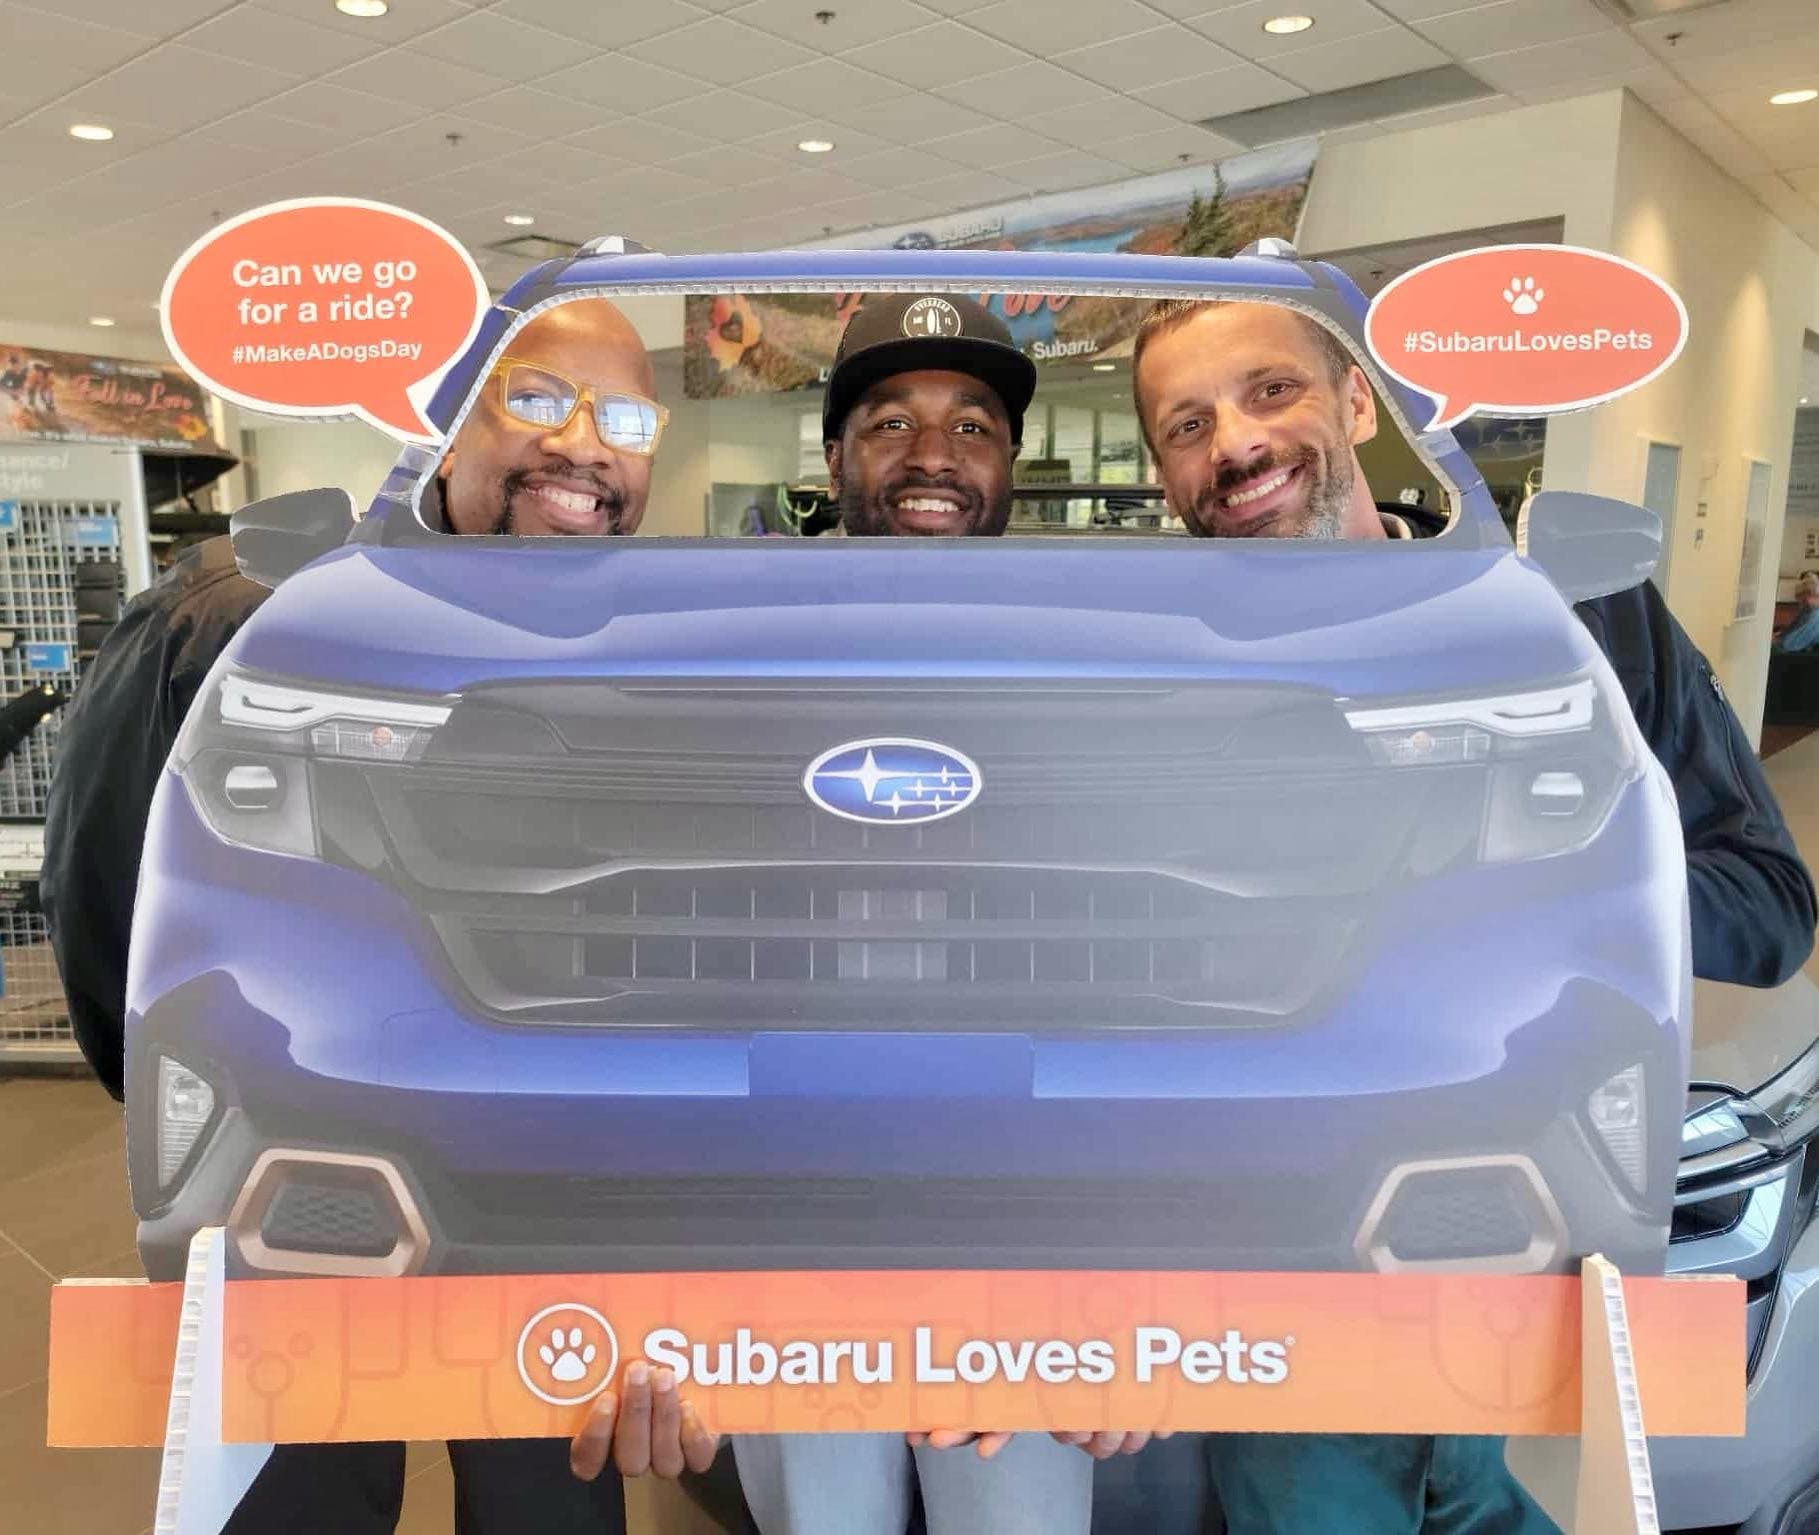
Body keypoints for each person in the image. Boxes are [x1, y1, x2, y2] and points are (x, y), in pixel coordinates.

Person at [1102, 294, 1818, 1534]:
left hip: (1540, 1284)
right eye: (1186, 423)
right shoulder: (1160, 679)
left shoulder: (1567, 619)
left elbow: (1765, 906)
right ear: (1165, 474)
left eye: (1270, 389)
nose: (1234, 444)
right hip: (1297, 1289)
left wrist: (1523, 892)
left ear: (1356, 401)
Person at [40, 296, 728, 1535]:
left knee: (548, 1493)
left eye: (625, 420)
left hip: (546, 1184)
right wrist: (185, 1114)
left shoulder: (629, 645)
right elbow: (107, 901)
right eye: (535, 398)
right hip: (292, 1176)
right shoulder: (248, 610)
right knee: (298, 1490)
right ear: (444, 424)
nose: (583, 445)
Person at [570, 293, 1095, 1535]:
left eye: (972, 424)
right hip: (789, 1202)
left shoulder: (1088, 661)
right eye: (890, 422)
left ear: (1012, 461)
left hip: (1020, 1212)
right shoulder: (737, 658)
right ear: (834, 455)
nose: (933, 454)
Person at [1776, 569, 1819, 653]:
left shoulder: (1815, 615)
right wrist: (1779, 636)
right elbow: (1791, 629)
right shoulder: (1808, 611)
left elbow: (1789, 645)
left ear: (1813, 595)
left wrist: (1777, 640)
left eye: (1803, 599)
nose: (1801, 603)